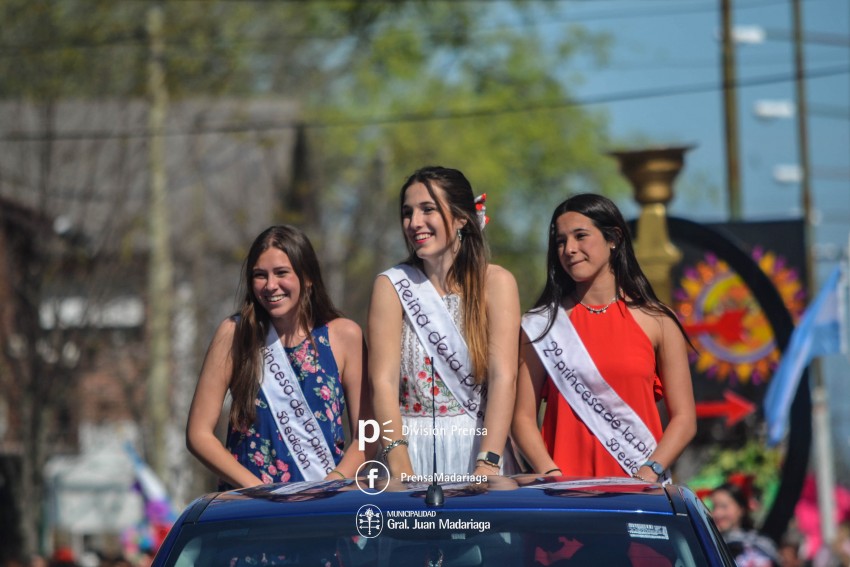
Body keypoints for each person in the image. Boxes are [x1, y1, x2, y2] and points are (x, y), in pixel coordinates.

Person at [511, 193, 696, 481]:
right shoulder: (542, 325)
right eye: (560, 241)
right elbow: (522, 418)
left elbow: (684, 419)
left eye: (580, 236)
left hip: (639, 490)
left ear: (614, 239)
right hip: (564, 496)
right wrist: (551, 474)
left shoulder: (658, 321)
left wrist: (650, 471)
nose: (569, 249)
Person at [186, 225, 369, 489]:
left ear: (307, 277)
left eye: (282, 273)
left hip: (325, 504)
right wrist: (256, 489)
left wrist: (332, 484)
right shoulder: (234, 334)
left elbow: (368, 435)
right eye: (260, 275)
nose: (271, 286)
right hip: (251, 506)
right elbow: (198, 434)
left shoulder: (344, 335)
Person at [368, 165, 521, 478]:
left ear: (462, 217)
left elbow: (505, 377)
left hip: (478, 447)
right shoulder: (392, 285)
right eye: (407, 212)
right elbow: (382, 383)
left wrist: (488, 462)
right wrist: (399, 465)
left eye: (428, 210)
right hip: (409, 448)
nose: (414, 222)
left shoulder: (496, 282)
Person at [710, 482, 781, 567]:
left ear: (741, 509)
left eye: (724, 506)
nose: (717, 513)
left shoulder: (761, 544)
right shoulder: (707, 542)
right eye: (714, 507)